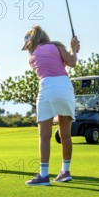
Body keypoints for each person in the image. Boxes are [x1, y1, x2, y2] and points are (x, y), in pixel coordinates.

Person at [22, 25, 80, 186]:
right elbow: (72, 62)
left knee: (44, 135)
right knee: (65, 134)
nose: (27, 49)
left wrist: (71, 49)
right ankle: (65, 172)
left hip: (47, 87)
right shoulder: (57, 45)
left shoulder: (32, 57)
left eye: (27, 45)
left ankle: (43, 175)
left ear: (31, 43)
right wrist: (73, 49)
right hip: (66, 87)